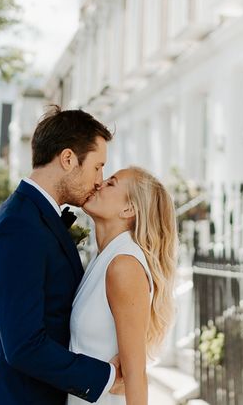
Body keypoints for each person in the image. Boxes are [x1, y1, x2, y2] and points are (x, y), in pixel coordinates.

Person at [0, 107, 122, 404]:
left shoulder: (36, 218)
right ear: (67, 159)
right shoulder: (18, 226)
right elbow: (24, 345)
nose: (100, 180)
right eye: (97, 167)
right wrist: (105, 376)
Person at [69, 166, 178, 404]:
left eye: (111, 183)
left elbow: (135, 375)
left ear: (129, 209)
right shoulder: (105, 258)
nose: (99, 183)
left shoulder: (124, 265)